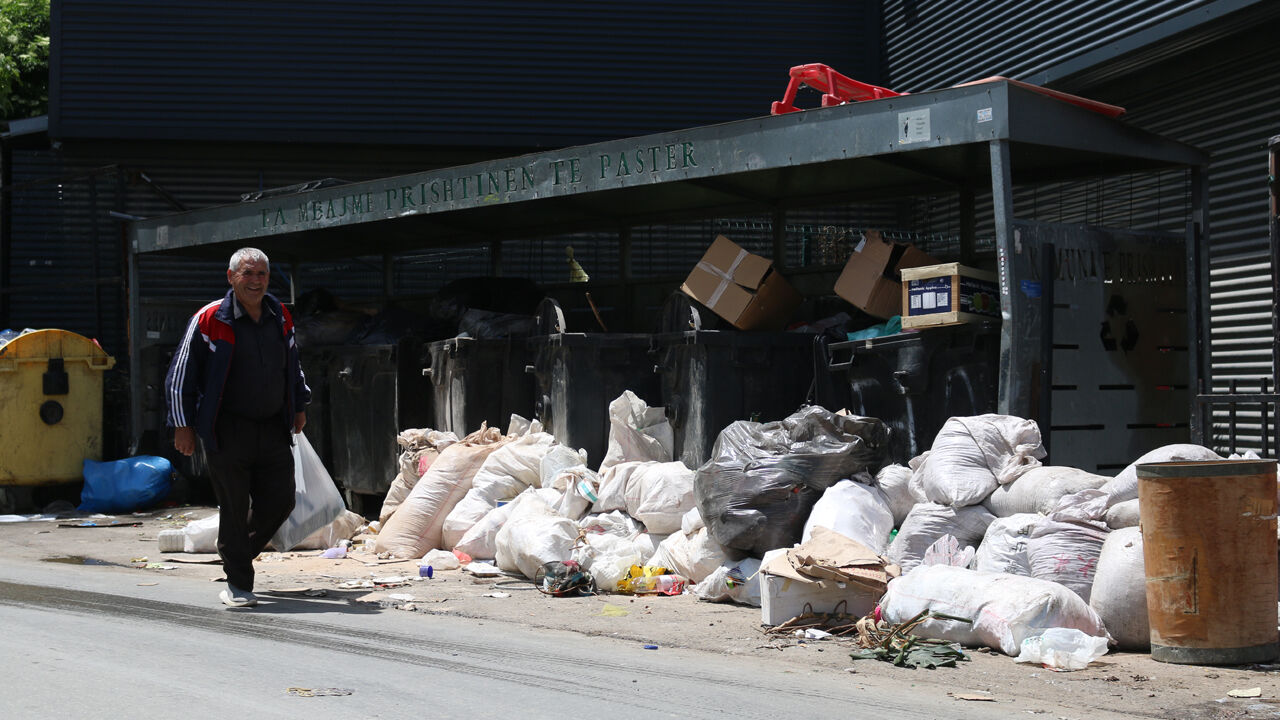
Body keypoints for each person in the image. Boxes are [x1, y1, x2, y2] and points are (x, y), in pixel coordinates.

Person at [165, 247, 310, 607]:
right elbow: (180, 375)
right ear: (231, 277)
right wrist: (182, 424)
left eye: (262, 274)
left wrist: (300, 404)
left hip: (273, 425)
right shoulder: (211, 318)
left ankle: (234, 553)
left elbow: (292, 363)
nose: (256, 281)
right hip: (226, 428)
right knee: (233, 504)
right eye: (248, 273)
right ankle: (240, 584)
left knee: (281, 501)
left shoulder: (280, 315)